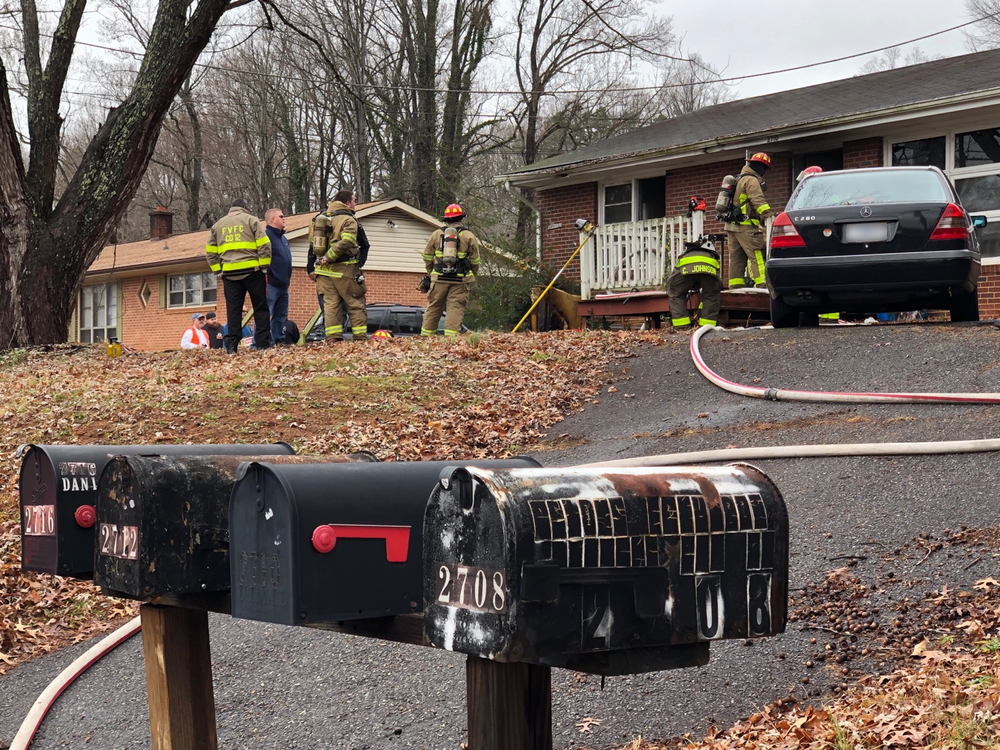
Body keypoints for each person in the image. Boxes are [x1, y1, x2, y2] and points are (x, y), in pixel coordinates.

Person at [205, 199, 272, 353]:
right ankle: (262, 344)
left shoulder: (218, 225)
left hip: (229, 274)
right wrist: (264, 267)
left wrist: (218, 271)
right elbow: (264, 244)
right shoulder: (251, 220)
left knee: (233, 311)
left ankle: (231, 346)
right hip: (252, 271)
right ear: (245, 208)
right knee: (260, 308)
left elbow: (210, 251)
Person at [309, 190, 367, 341]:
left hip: (323, 272)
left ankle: (333, 339)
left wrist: (316, 264)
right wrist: (330, 256)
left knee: (331, 305)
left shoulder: (318, 219)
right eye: (354, 200)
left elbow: (312, 243)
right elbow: (348, 241)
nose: (355, 204)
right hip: (344, 269)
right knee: (355, 302)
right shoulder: (348, 219)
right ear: (347, 203)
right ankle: (360, 339)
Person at [420, 203, 480, 336]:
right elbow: (475, 260)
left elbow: (427, 256)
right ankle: (450, 340)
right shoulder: (468, 236)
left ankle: (425, 338)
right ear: (461, 218)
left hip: (439, 278)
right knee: (455, 307)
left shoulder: (436, 234)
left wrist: (431, 273)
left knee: (434, 306)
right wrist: (471, 275)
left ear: (446, 219)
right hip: (460, 280)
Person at [724, 152, 774, 289]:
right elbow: (757, 200)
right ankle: (762, 284)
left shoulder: (738, 178)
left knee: (736, 259)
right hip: (746, 226)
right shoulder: (751, 180)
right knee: (757, 254)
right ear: (761, 168)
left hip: (731, 226)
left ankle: (735, 287)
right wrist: (769, 215)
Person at [666, 237, 723, 332]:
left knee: (675, 292)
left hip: (685, 269)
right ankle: (707, 326)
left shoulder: (686, 255)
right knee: (711, 294)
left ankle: (682, 327)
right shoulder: (711, 256)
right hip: (709, 269)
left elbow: (673, 280)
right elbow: (715, 281)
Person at [265, 208, 292, 344]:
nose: (284, 218)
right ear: (272, 220)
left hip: (284, 284)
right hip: (271, 283)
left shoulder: (283, 238)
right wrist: (270, 274)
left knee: (281, 315)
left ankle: (279, 340)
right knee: (265, 313)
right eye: (281, 216)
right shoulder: (266, 237)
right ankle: (260, 341)